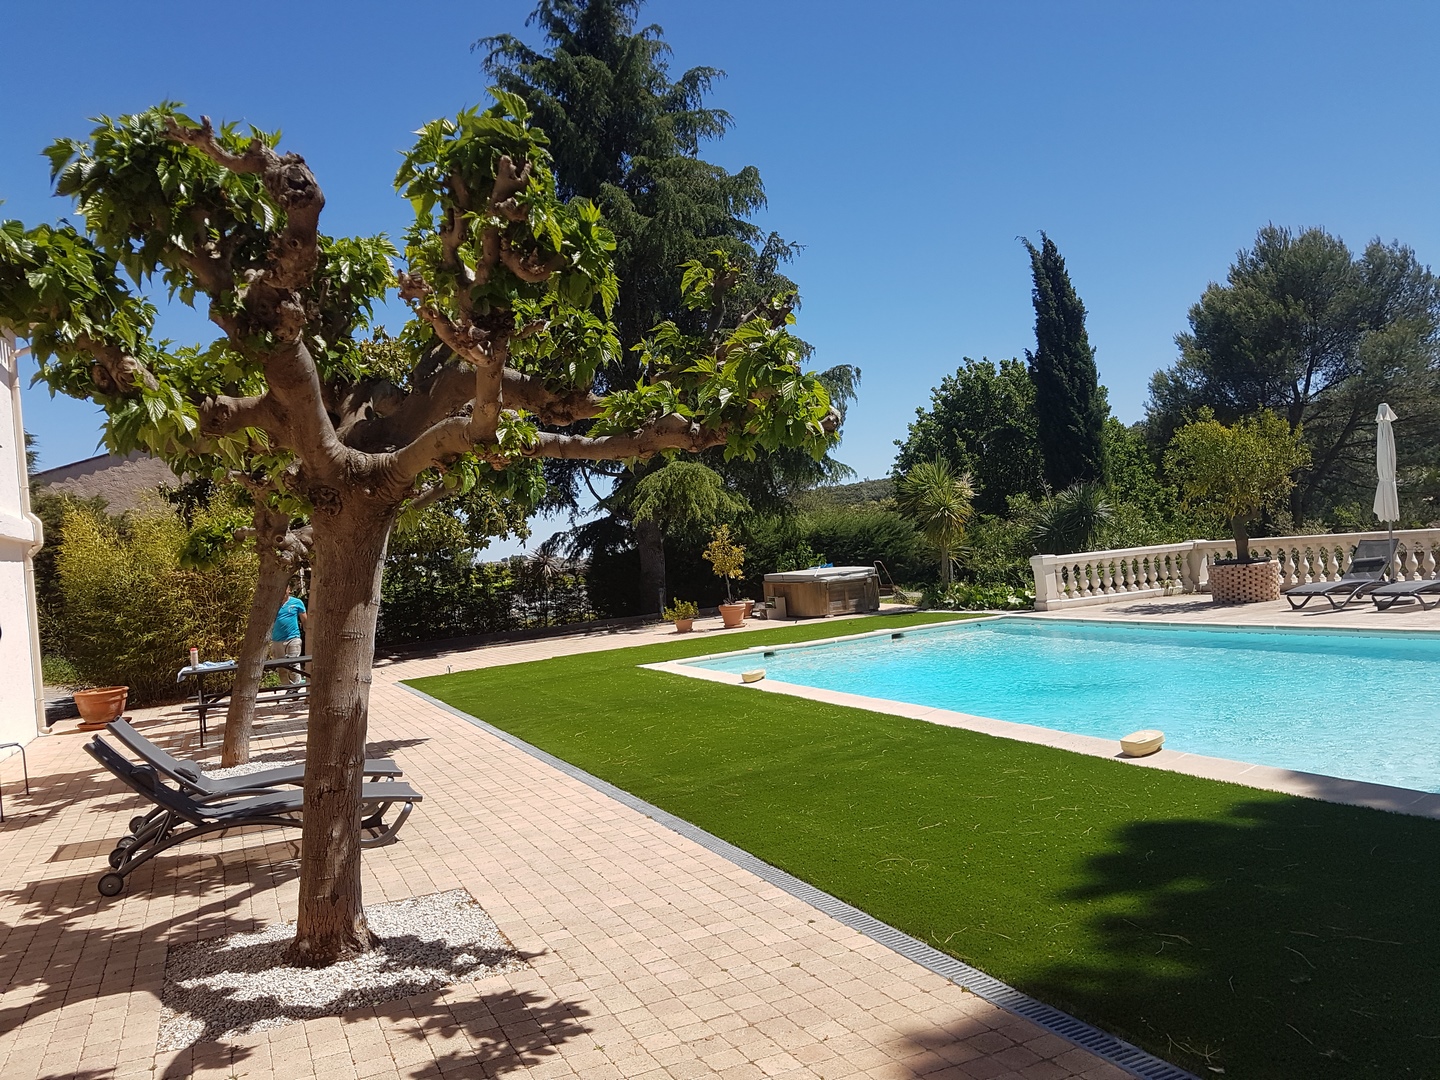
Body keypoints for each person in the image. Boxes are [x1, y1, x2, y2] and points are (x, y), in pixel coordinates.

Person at [270, 583, 308, 693]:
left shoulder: (297, 603)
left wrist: (308, 633)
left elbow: (305, 621)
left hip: (293, 638)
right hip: (277, 640)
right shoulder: (272, 604)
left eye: (284, 589)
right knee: (281, 667)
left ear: (289, 590)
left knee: (293, 663)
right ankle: (288, 688)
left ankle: (295, 688)